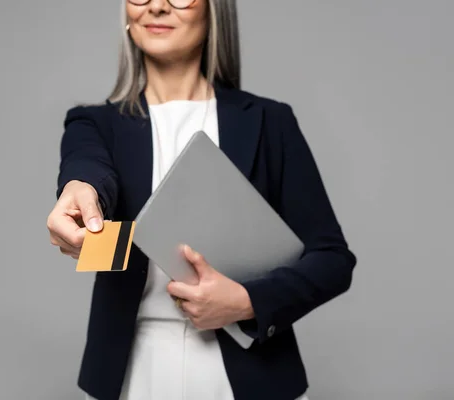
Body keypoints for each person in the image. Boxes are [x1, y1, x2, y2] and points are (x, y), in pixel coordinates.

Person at [46, 0, 357, 399]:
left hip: (251, 372)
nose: (157, 6)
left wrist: (248, 302)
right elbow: (88, 170)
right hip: (131, 372)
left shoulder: (270, 121)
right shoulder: (93, 124)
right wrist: (79, 191)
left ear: (215, 11)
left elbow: (332, 259)